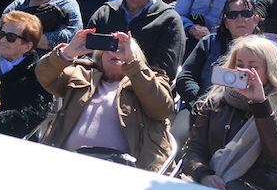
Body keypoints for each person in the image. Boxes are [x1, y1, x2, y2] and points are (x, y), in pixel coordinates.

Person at [182, 35, 277, 190]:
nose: (243, 71)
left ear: (271, 71)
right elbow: (193, 150)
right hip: (211, 188)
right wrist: (204, 175)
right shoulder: (216, 101)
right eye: (239, 65)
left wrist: (260, 105)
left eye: (253, 67)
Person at [36, 29, 174, 171]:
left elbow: (162, 109)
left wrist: (134, 65)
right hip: (66, 164)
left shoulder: (152, 80)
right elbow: (44, 74)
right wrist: (67, 52)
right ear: (100, 56)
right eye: (111, 48)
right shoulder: (81, 74)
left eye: (123, 49)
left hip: (128, 171)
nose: (115, 53)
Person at [86, 0, 185, 79]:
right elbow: (87, 55)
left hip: (143, 87)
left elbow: (165, 71)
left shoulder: (169, 20)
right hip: (102, 83)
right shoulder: (105, 13)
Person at [0, 11, 54, 138]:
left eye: (11, 37)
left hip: (9, 140)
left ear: (27, 46)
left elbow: (32, 115)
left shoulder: (39, 74)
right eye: (1, 34)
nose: (2, 40)